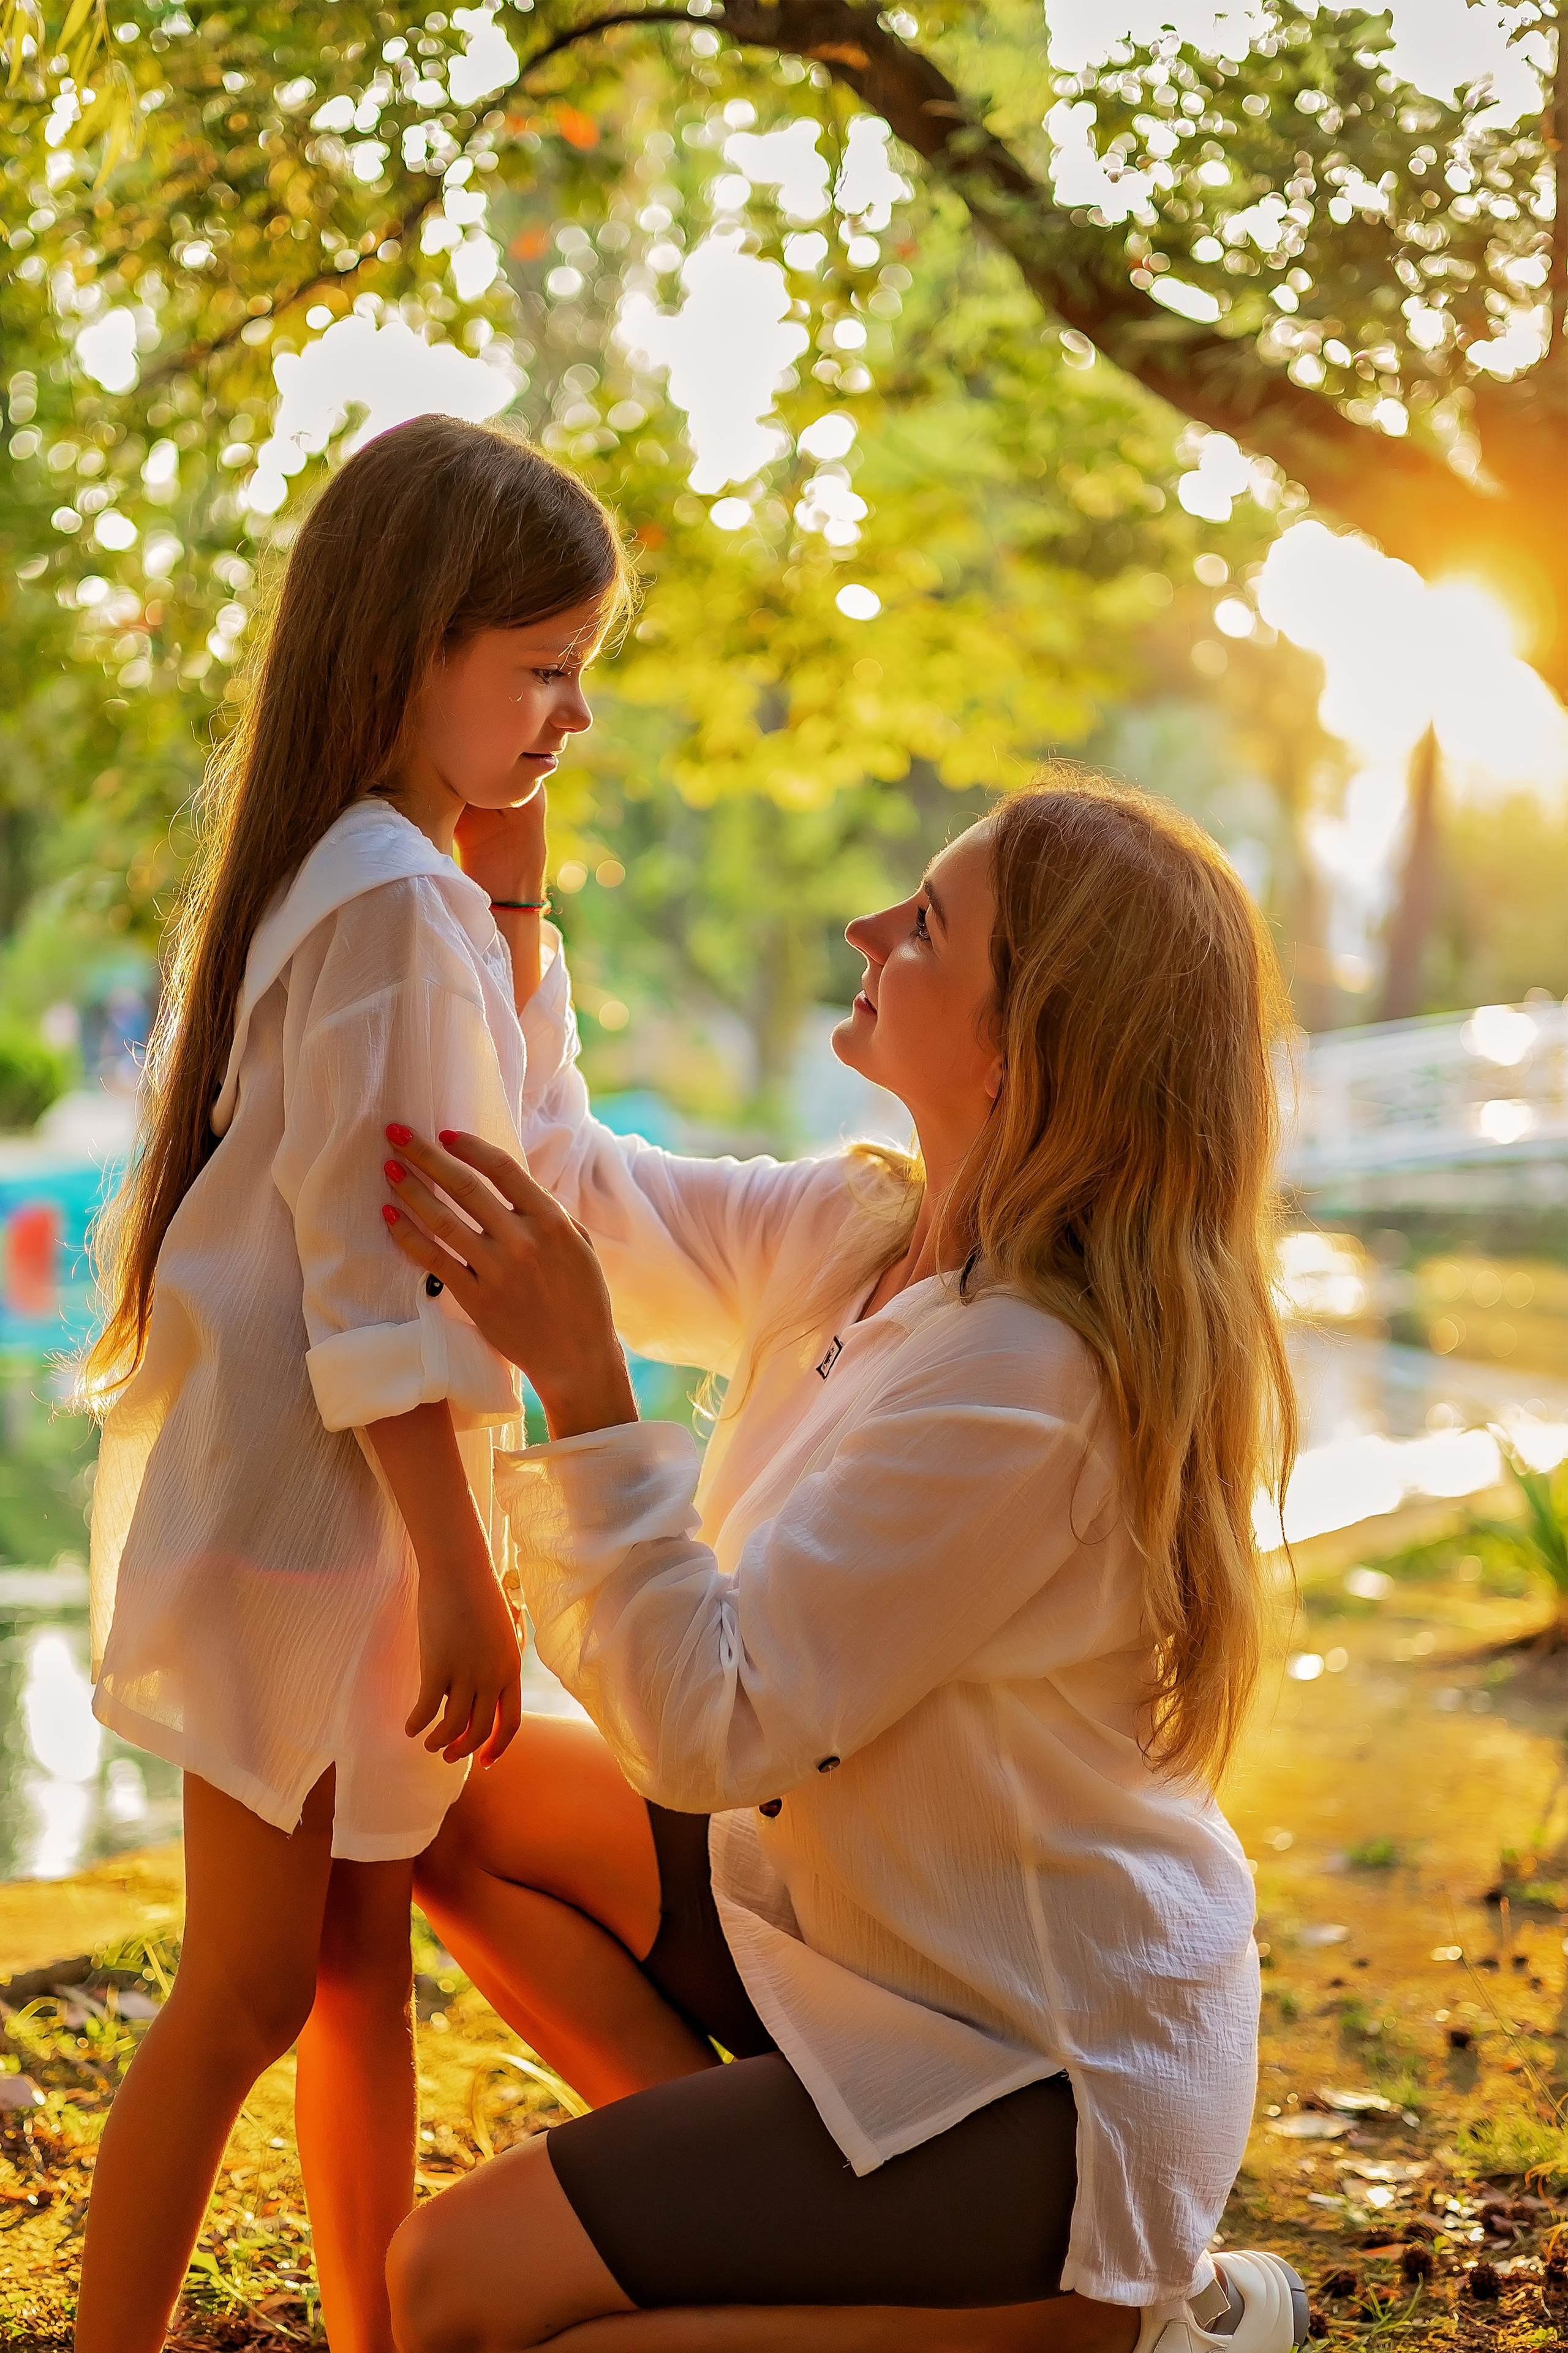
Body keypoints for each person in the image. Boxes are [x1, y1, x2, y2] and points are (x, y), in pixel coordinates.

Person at [374, 773, 1310, 2353]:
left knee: (455, 2300)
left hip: (1032, 2063)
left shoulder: (1032, 1374)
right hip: (850, 1937)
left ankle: (1108, 2322)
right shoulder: (871, 1234)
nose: (871, 928)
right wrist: (508, 910)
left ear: (1021, 1051)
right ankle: (804, 2254)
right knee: (458, 1799)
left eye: (928, 925)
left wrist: (590, 1391)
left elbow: (714, 1728)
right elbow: (571, 1198)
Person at [75, 417, 630, 2353]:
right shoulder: (383, 894)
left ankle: (372, 2336)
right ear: (415, 644)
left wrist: (517, 906)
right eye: (544, 668)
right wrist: (464, 1575)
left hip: (338, 1513)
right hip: (329, 1517)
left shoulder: (393, 879)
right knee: (245, 1985)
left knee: (356, 1965)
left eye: (581, 672)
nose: (573, 716)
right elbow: (375, 1285)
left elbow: (506, 1168)